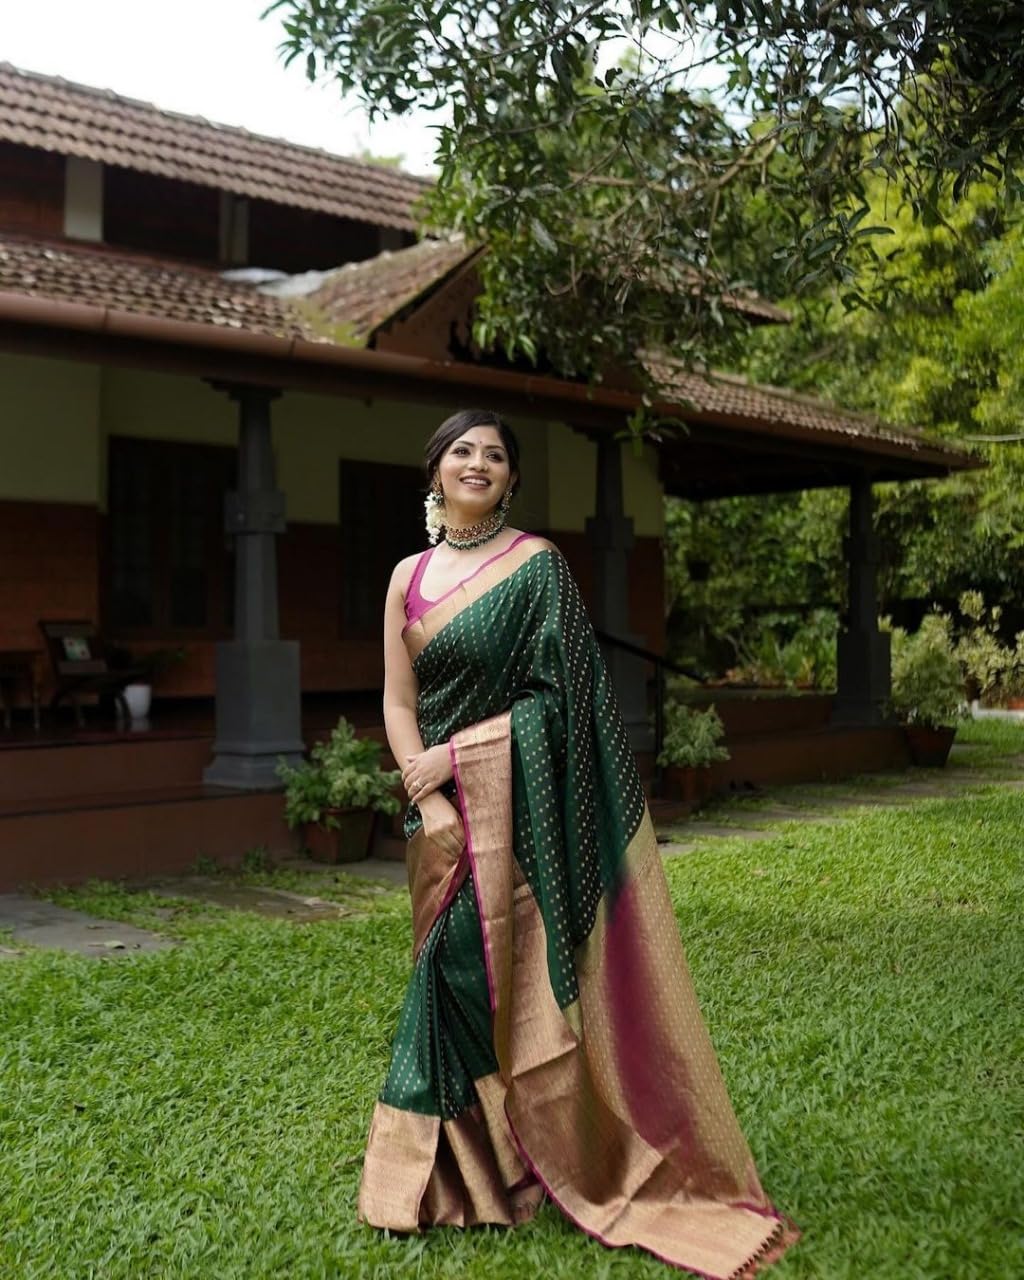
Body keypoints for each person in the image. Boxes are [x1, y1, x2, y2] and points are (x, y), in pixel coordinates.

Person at [358, 409, 794, 1278]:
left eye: (494, 455)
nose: (477, 464)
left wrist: (461, 759)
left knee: (502, 974)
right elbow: (398, 700)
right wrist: (423, 782)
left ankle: (528, 1165)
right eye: (461, 452)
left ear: (512, 480)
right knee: (447, 980)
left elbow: (566, 705)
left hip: (520, 810)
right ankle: (466, 1175)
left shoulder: (538, 568)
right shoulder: (407, 575)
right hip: (437, 812)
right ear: (435, 472)